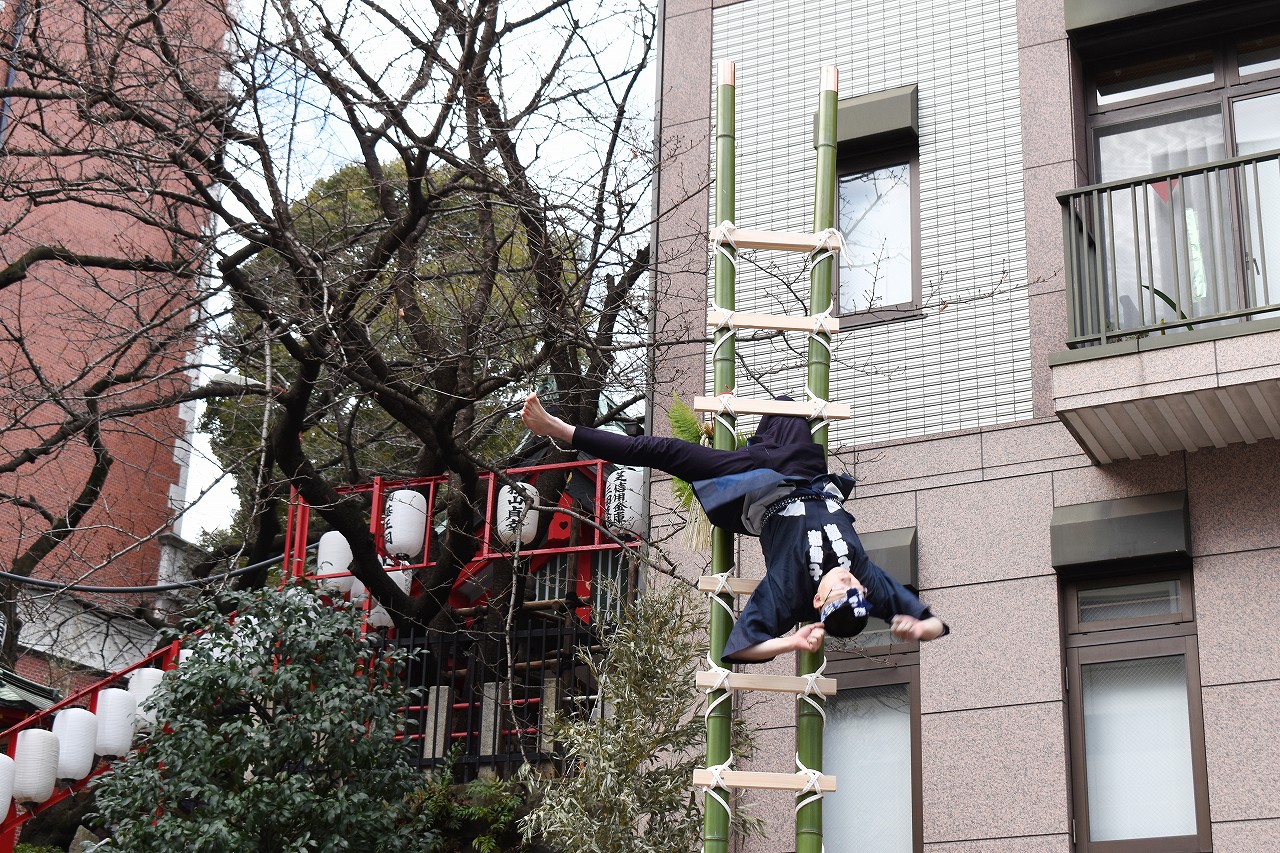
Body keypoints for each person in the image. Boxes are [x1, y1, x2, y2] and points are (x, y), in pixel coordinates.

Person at [521, 393, 947, 663]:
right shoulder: (865, 578)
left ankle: (561, 430)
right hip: (807, 475)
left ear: (818, 599)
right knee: (785, 407)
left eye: (840, 588)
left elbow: (738, 649)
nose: (849, 579)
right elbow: (935, 625)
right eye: (855, 586)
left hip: (756, 485)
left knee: (664, 451)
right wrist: (919, 629)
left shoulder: (788, 588)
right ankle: (742, 437)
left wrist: (790, 642)